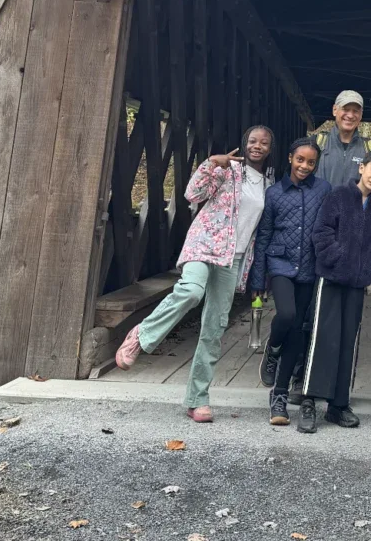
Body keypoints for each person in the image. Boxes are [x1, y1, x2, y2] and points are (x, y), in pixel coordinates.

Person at [114, 125, 274, 423]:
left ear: (269, 149)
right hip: (204, 245)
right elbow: (191, 193)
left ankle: (197, 399)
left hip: (234, 258)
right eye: (253, 141)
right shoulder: (228, 170)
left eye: (264, 143)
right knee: (190, 290)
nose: (257, 146)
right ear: (244, 143)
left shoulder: (268, 183)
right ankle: (141, 335)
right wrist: (211, 163)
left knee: (215, 327)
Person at [299, 148, 371, 433]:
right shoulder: (338, 196)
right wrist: (337, 258)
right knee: (322, 339)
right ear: (362, 168)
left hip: (357, 282)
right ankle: (309, 402)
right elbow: (322, 232)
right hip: (331, 278)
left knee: (347, 342)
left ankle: (338, 405)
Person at [251, 136, 331, 425]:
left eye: (311, 162)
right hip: (280, 262)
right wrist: (258, 279)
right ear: (289, 158)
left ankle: (279, 396)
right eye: (300, 160)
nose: (305, 166)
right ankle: (272, 349)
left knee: (298, 332)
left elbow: (329, 225)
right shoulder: (274, 193)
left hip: (309, 267)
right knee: (286, 314)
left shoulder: (323, 190)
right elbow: (263, 236)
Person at [314, 90, 371, 188]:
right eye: (345, 109)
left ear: (361, 114)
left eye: (355, 111)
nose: (350, 115)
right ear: (335, 110)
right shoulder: (316, 143)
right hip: (322, 203)